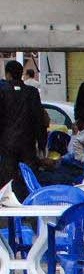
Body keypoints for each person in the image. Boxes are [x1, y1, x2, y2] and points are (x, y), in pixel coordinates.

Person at [0, 60, 46, 190]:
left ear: (7, 74)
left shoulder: (2, 91)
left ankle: (9, 204)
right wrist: (42, 143)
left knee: (8, 181)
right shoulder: (32, 92)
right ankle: (29, 202)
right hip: (27, 144)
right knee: (29, 179)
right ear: (21, 74)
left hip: (7, 144)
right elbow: (39, 119)